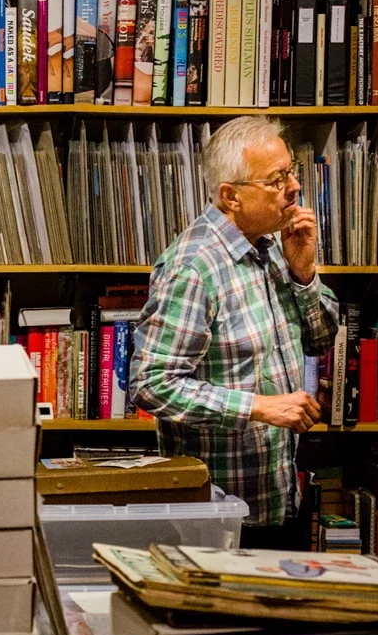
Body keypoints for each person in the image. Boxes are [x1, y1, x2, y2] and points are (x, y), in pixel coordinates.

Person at [130, 116, 338, 549]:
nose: (294, 187)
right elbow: (151, 385)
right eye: (276, 179)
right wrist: (258, 407)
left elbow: (319, 340)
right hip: (214, 522)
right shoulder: (195, 268)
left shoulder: (270, 245)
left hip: (277, 501)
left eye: (291, 170)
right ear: (231, 196)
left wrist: (303, 273)